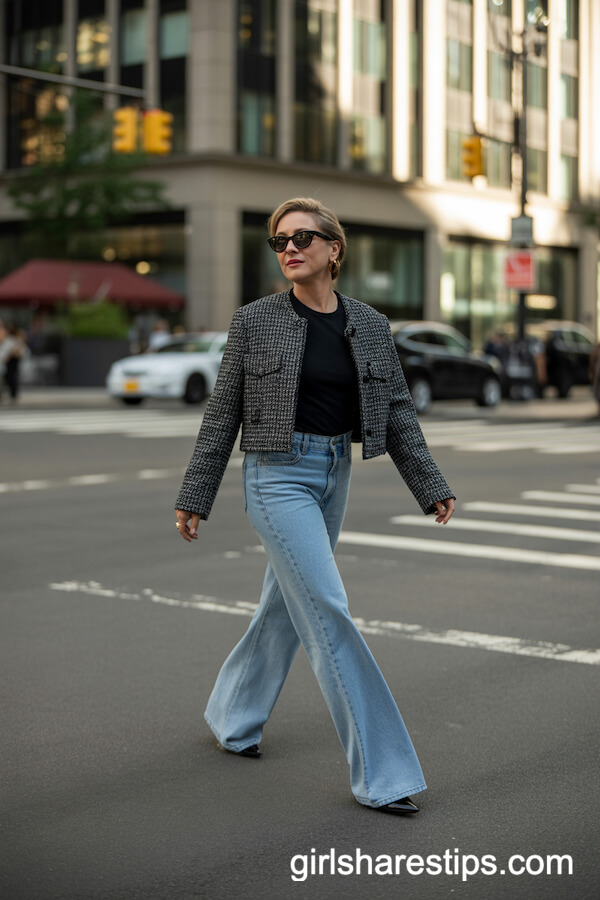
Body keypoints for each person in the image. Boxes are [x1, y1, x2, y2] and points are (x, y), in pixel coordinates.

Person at [175, 198, 455, 816]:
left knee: (283, 604)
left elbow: (399, 410)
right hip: (276, 478)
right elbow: (222, 413)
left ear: (334, 248)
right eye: (279, 242)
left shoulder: (371, 325)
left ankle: (232, 718)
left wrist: (429, 482)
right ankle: (383, 773)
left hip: (334, 472)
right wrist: (197, 493)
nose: (289, 249)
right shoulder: (254, 321)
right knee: (328, 609)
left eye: (302, 238)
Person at [590, 341, 600, 417]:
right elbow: (592, 361)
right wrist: (591, 372)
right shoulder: (597, 348)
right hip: (598, 375)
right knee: (597, 392)